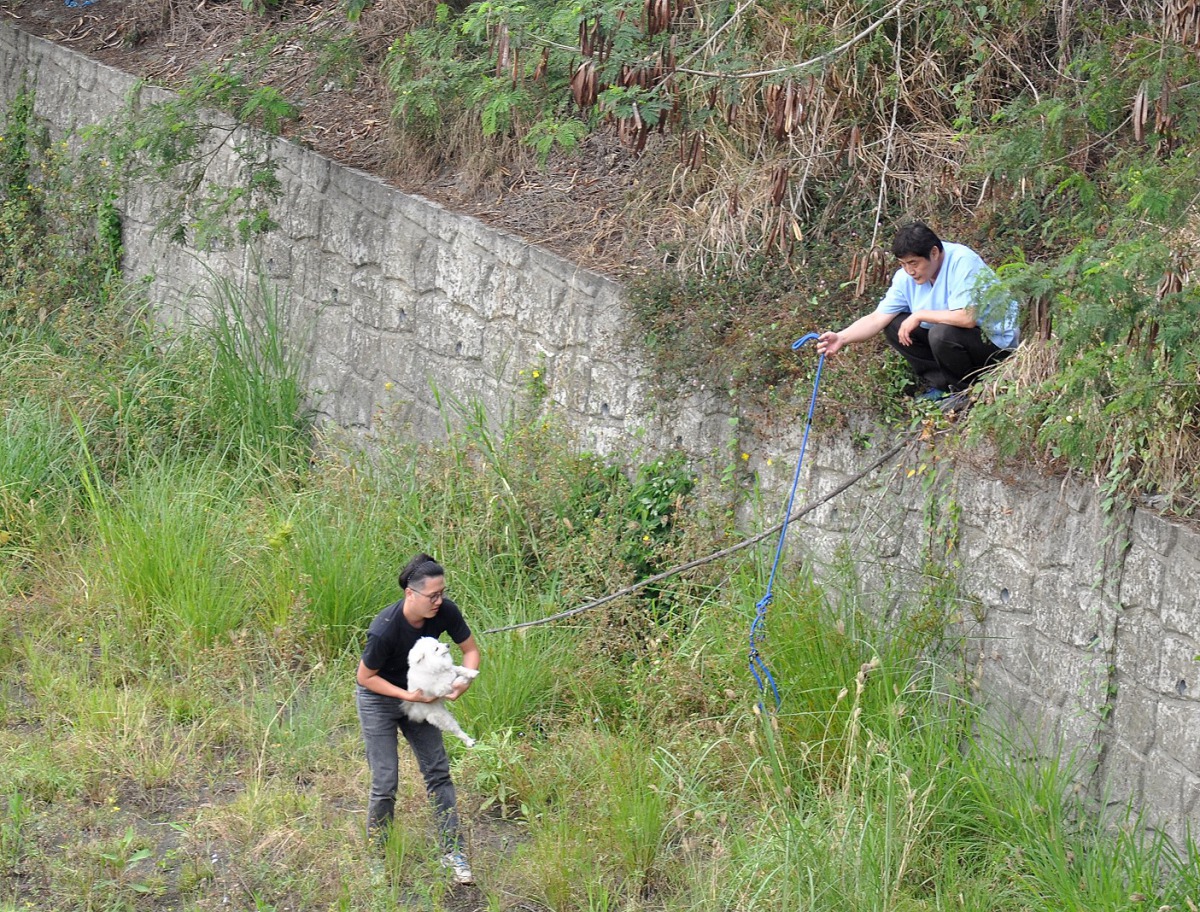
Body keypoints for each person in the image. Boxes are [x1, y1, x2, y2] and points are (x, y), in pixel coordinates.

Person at [356, 553, 481, 885]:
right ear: (410, 594)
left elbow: (471, 651)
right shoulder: (384, 629)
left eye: (442, 593)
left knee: (438, 772)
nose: (439, 601)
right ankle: (377, 856)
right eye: (433, 596)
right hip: (380, 699)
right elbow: (364, 677)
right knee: (385, 782)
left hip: (422, 698)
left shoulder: (446, 611)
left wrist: (462, 683)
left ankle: (453, 852)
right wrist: (407, 696)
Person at [816, 222, 1019, 404]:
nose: (909, 271)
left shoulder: (962, 262)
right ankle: (944, 386)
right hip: (959, 343)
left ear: (934, 253)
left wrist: (920, 315)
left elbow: (967, 318)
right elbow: (877, 318)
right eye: (903, 264)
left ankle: (966, 392)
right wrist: (841, 338)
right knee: (894, 325)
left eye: (914, 263)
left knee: (941, 333)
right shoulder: (905, 278)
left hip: (995, 346)